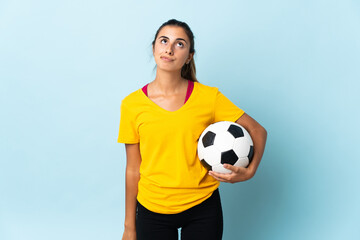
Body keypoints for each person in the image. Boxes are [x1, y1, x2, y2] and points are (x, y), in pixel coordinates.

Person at [118, 19, 267, 240]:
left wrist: (250, 171)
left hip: (202, 207)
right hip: (152, 209)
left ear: (189, 56)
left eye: (180, 44)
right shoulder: (131, 105)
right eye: (164, 41)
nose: (169, 48)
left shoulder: (208, 97)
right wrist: (130, 227)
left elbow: (258, 130)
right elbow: (133, 169)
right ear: (154, 47)